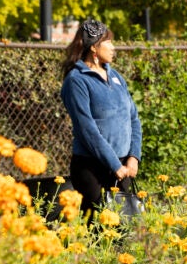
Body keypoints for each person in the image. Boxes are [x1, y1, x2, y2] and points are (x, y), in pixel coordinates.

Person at [61, 18, 142, 220]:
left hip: (123, 167)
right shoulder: (76, 80)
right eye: (109, 42)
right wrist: (115, 165)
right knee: (99, 230)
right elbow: (87, 130)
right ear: (94, 48)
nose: (114, 47)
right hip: (92, 168)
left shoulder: (115, 77)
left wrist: (134, 156)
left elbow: (133, 118)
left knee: (124, 230)